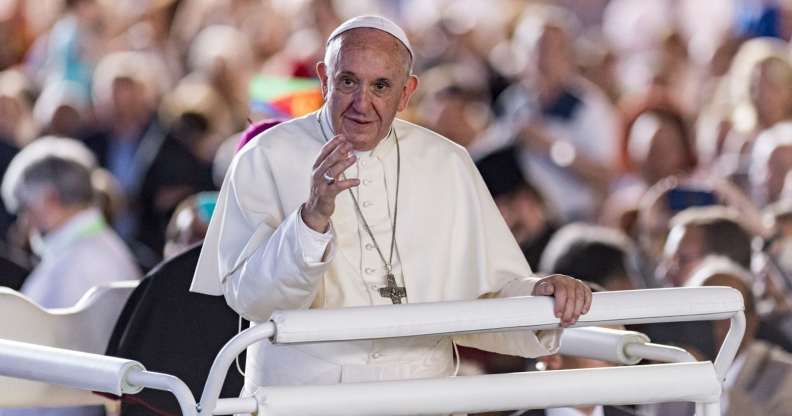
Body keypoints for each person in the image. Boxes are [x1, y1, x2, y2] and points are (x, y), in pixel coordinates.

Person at [191, 15, 591, 398]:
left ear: (407, 93)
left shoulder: (447, 163)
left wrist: (539, 293)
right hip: (306, 399)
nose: (362, 104)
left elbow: (487, 297)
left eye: (381, 86)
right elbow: (251, 300)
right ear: (324, 79)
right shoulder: (264, 157)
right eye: (348, 82)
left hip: (420, 398)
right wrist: (311, 221)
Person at [1, 137, 140, 309]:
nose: (25, 222)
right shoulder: (100, 248)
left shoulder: (73, 267)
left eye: (26, 208)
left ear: (50, 200)